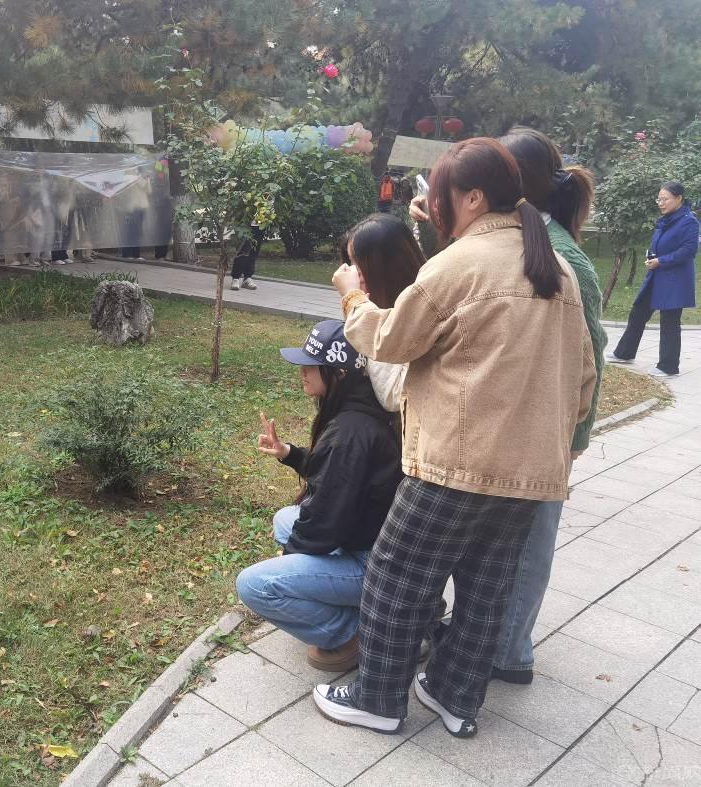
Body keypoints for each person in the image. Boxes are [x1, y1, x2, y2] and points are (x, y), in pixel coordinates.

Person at [316, 138, 595, 738]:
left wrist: (352, 296)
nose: (434, 205)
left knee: (396, 574)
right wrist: (559, 446)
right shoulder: (559, 268)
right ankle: (455, 696)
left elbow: (390, 340)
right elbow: (584, 376)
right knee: (486, 587)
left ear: (473, 198)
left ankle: (376, 698)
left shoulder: (461, 262)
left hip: (457, 462)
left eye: (440, 193)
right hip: (530, 472)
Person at [479, 127, 606, 685]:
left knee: (530, 543)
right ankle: (490, 633)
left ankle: (510, 652)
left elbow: (591, 358)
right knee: (499, 540)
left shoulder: (565, 257)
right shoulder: (515, 235)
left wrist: (573, 442)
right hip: (509, 417)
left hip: (544, 430)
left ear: (515, 182)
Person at [236, 320, 403, 671]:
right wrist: (289, 453)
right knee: (284, 519)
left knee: (254, 585)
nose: (302, 371)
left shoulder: (349, 433)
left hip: (374, 568)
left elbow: (325, 522)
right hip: (371, 545)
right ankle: (348, 606)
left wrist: (288, 556)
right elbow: (338, 478)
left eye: (312, 365)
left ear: (339, 373)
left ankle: (352, 631)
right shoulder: (360, 413)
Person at [607, 181, 698, 377]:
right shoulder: (666, 219)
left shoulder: (689, 222)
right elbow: (661, 243)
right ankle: (624, 353)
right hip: (656, 276)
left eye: (665, 199)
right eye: (659, 199)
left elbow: (689, 250)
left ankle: (668, 366)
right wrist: (652, 256)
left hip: (674, 280)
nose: (661, 203)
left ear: (679, 199)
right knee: (638, 312)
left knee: (669, 322)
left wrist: (661, 261)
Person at [338, 214, 426, 412]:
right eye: (350, 262)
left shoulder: (418, 309)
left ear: (386, 268)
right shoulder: (377, 303)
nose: (352, 273)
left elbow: (393, 394)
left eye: (357, 263)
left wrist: (354, 300)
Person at [230, 225, 266, 291]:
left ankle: (247, 278)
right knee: (242, 251)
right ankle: (235, 278)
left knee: (254, 251)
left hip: (259, 225)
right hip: (244, 224)